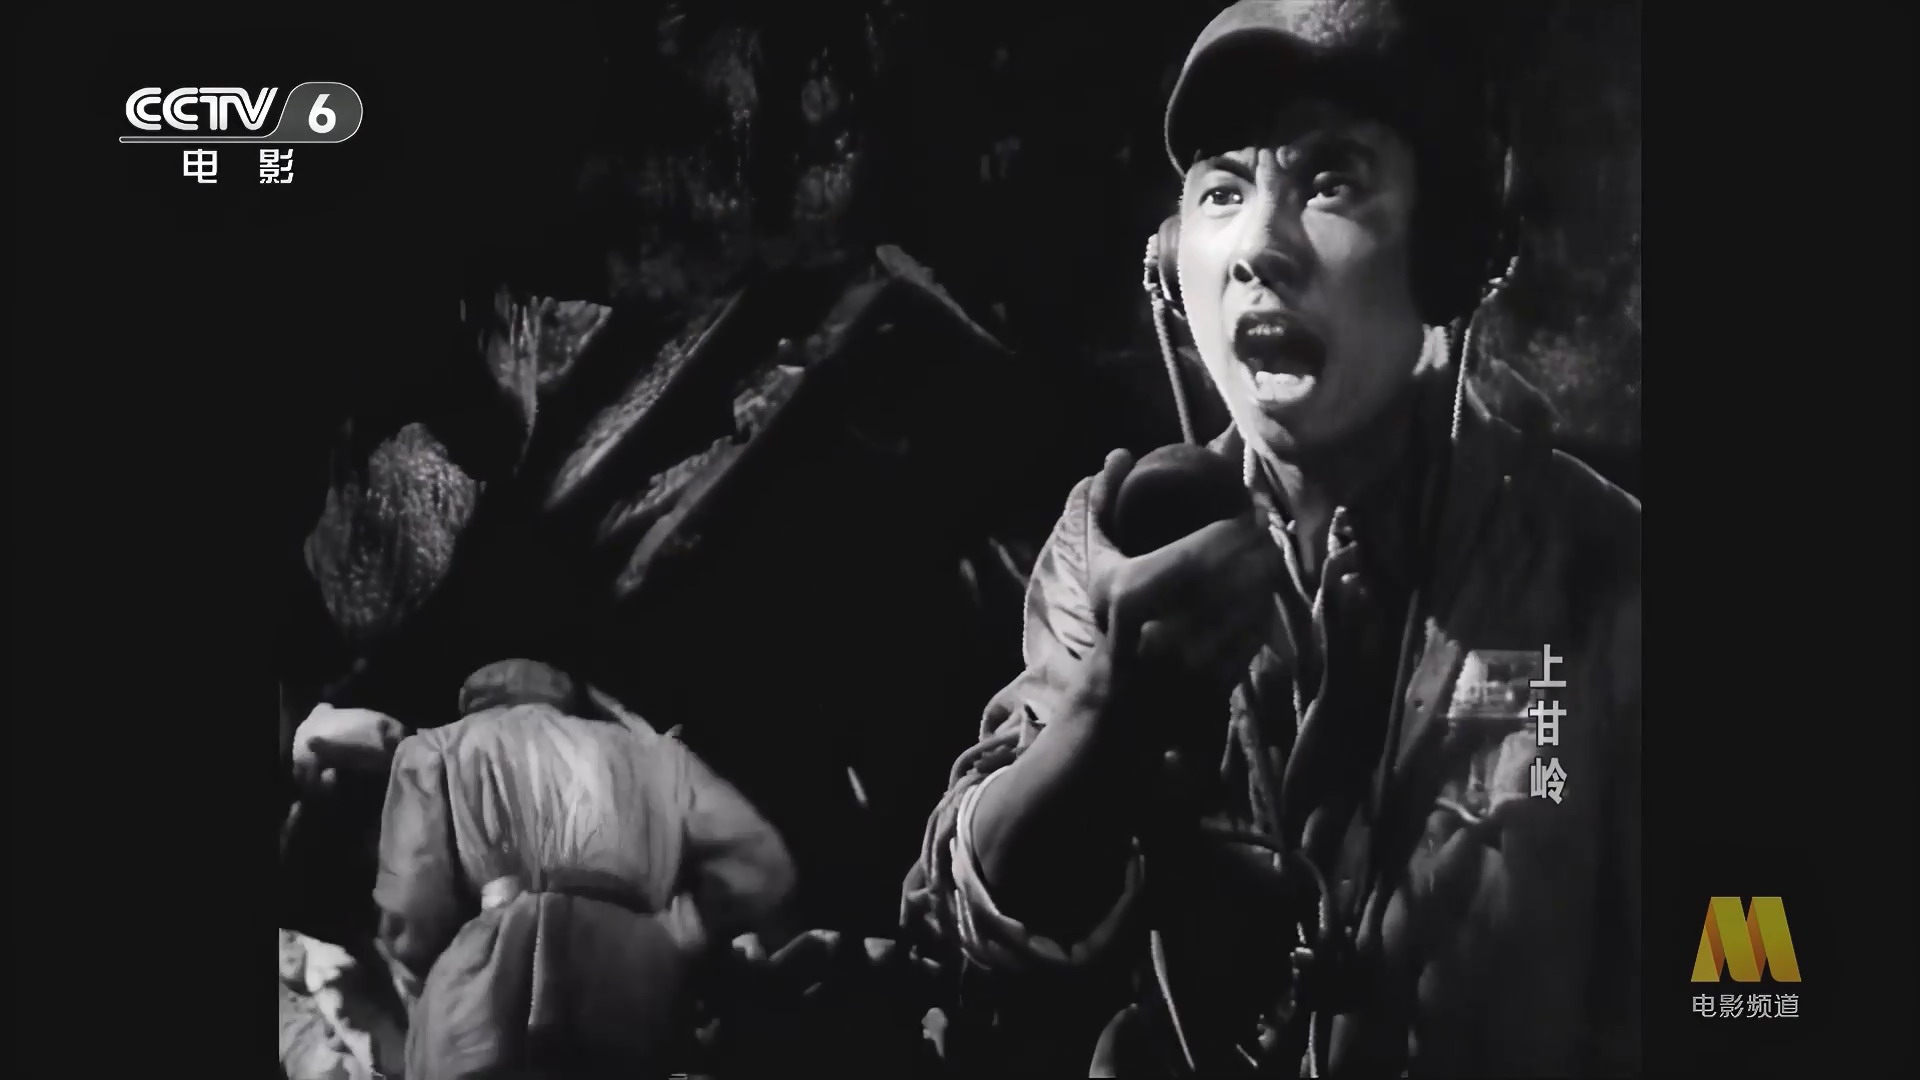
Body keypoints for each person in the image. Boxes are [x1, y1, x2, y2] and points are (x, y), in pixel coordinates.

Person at [900, 1, 1641, 1075]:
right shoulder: (1117, 542)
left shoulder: (1602, 570)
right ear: (1171, 260)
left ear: (1451, 249)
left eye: (1329, 182)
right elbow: (964, 934)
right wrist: (1106, 721)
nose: (1257, 249)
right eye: (1222, 192)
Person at [372, 658, 798, 1079]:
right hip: (633, 986)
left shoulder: (438, 747)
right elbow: (761, 862)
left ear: (475, 702)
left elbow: (412, 904)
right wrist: (678, 931)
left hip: (492, 990)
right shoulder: (658, 755)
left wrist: (431, 966)